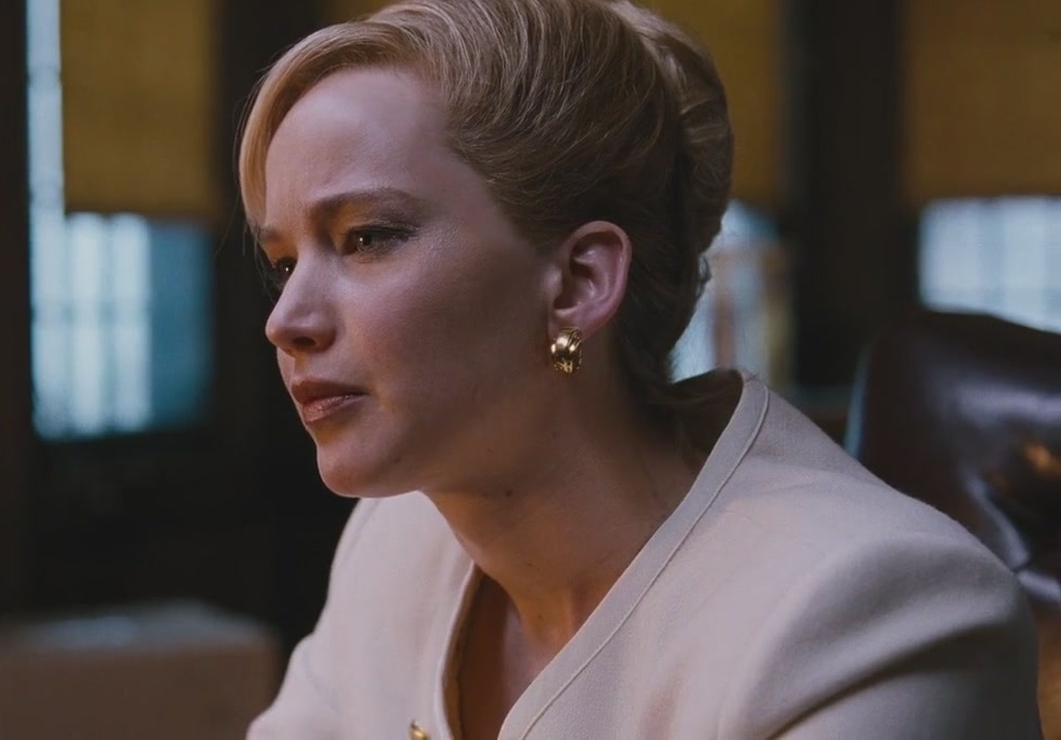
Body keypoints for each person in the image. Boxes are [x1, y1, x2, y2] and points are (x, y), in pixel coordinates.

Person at [238, 0, 1041, 737]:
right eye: (283, 263)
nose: (287, 321)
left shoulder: (870, 614)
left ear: (578, 282)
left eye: (367, 237)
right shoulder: (396, 537)